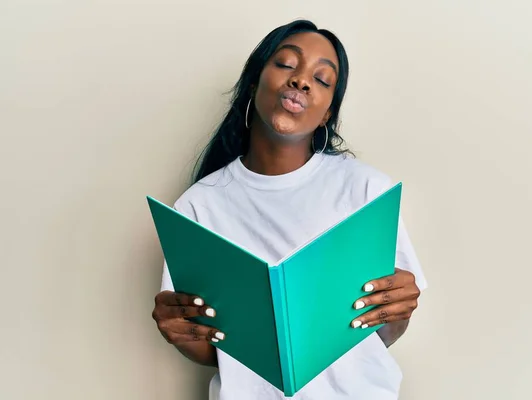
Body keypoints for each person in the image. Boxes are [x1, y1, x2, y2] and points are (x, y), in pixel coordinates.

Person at [151, 19, 427, 400]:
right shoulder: (200, 205)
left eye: (323, 79)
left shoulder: (367, 191)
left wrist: (398, 311)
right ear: (254, 82)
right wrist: (180, 334)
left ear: (328, 112)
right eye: (285, 64)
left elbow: (383, 334)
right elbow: (212, 350)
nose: (301, 80)